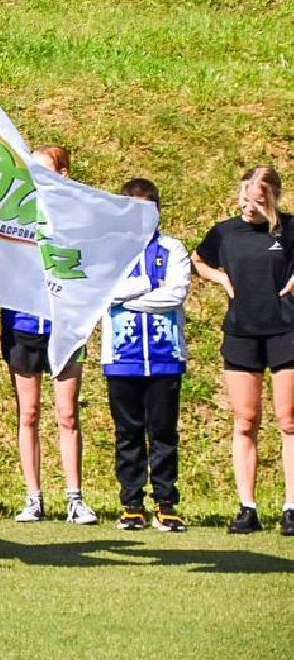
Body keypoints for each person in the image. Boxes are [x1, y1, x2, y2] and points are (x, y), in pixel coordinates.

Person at [193, 166, 294, 535]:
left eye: (258, 200)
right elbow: (199, 259)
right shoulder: (225, 232)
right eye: (244, 198)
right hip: (241, 333)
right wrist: (220, 277)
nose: (249, 206)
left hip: (286, 331)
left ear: (272, 197)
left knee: (289, 421)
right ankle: (247, 508)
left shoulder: (289, 229)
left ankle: (291, 507)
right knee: (245, 421)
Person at [1, 146, 96, 526]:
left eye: (45, 171)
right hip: (22, 325)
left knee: (67, 414)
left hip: (65, 327)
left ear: (64, 173)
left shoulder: (78, 215)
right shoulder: (17, 213)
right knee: (29, 413)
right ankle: (33, 497)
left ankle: (75, 497)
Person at [101, 178, 192, 532]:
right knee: (128, 434)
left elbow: (175, 294)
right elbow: (103, 292)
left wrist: (129, 297)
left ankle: (167, 504)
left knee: (164, 432)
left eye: (148, 209)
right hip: (121, 356)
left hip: (165, 354)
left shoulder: (173, 247)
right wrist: (144, 286)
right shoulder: (109, 250)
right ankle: (132, 504)